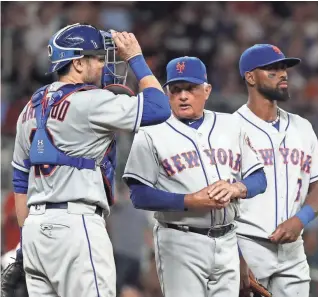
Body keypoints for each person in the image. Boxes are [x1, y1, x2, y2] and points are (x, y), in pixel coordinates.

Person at [10, 23, 171, 297]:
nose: (102, 64)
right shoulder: (90, 101)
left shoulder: (30, 107)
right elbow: (159, 108)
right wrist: (135, 58)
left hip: (36, 233)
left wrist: (26, 241)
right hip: (76, 226)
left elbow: (19, 180)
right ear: (77, 63)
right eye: (96, 58)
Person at [122, 56, 267, 297]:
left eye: (191, 88)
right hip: (180, 239)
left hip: (228, 239)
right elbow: (139, 195)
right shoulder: (151, 133)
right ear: (167, 93)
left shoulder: (231, 124)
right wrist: (190, 200)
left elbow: (259, 178)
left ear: (207, 90)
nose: (183, 96)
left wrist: (237, 188)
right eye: (176, 90)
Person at [234, 44, 318, 297]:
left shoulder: (302, 127)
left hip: (292, 251)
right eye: (272, 70)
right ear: (250, 77)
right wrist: (236, 257)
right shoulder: (229, 128)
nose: (283, 74)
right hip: (247, 244)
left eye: (284, 68)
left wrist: (301, 219)